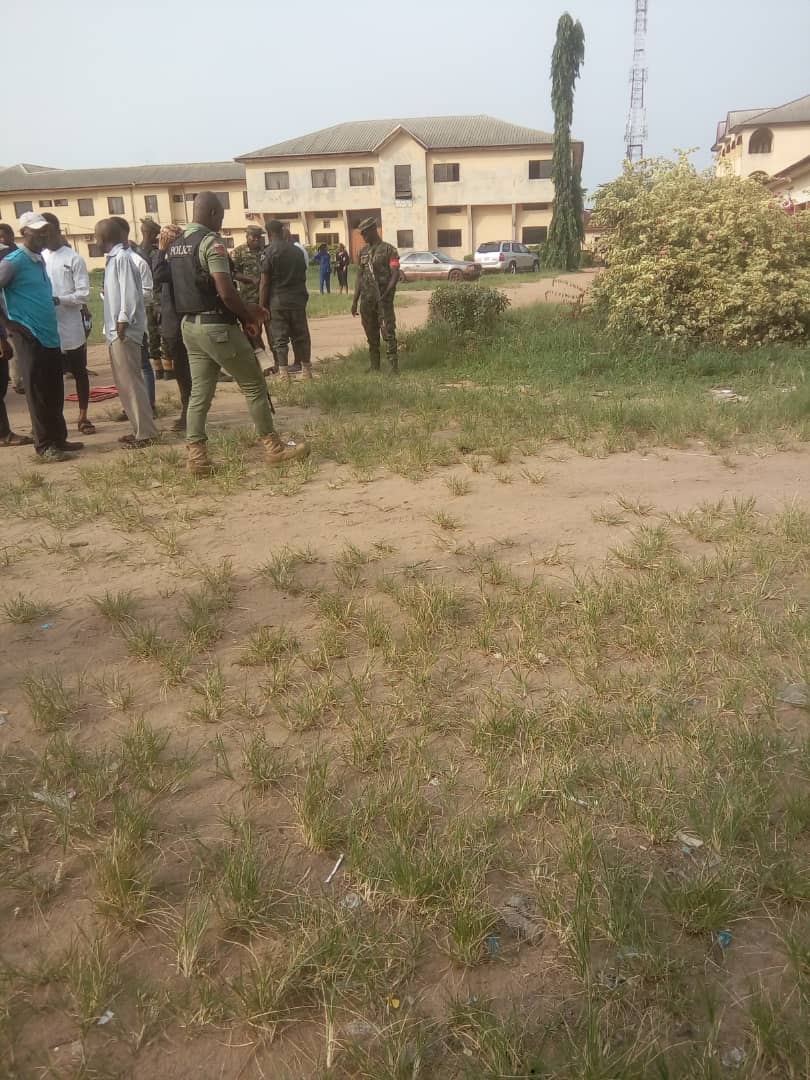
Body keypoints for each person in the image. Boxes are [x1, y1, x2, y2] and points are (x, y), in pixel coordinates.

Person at [167, 191, 308, 475]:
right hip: (216, 327)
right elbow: (226, 292)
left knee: (200, 394)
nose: (220, 221)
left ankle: (197, 458)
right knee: (255, 385)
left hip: (190, 328)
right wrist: (249, 314)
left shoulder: (175, 244)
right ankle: (274, 449)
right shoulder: (210, 243)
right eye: (220, 216)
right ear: (213, 214)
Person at [0, 212, 82, 460]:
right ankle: (45, 445)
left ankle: (59, 439)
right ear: (24, 233)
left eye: (45, 231)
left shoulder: (39, 260)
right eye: (37, 231)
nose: (43, 235)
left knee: (55, 390)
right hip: (29, 335)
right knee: (37, 393)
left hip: (49, 335)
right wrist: (8, 323)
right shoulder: (13, 262)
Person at [95, 217, 158, 449]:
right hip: (115, 332)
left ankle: (146, 433)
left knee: (132, 383)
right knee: (125, 384)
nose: (95, 241)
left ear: (103, 238)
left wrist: (122, 321)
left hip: (124, 332)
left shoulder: (122, 259)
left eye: (96, 237)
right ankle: (139, 429)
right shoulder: (113, 260)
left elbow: (131, 294)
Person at [41, 213, 95, 436]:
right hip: (47, 328)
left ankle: (83, 416)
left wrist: (60, 300)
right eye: (41, 233)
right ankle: (57, 419)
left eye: (48, 232)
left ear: (57, 230)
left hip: (71, 326)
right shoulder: (39, 258)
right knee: (53, 377)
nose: (44, 237)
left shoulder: (73, 258)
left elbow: (82, 294)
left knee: (79, 373)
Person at [109, 216, 156, 409]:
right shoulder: (112, 260)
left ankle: (148, 405)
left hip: (134, 325)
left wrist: (126, 308)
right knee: (125, 371)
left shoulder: (136, 261)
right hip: (114, 327)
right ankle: (131, 407)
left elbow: (148, 293)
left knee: (142, 366)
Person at [260, 220, 313, 382]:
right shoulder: (297, 251)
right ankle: (306, 372)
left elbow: (265, 282)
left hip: (278, 301)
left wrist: (261, 305)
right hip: (297, 299)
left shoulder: (268, 253)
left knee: (280, 338)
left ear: (269, 234)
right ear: (282, 231)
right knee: (301, 335)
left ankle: (284, 375)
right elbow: (303, 275)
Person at [152, 224, 192, 431]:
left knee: (185, 371)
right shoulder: (172, 259)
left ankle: (189, 413)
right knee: (182, 370)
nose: (164, 242)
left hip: (180, 323)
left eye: (167, 239)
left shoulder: (178, 260)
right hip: (172, 322)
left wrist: (161, 250)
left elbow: (158, 275)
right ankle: (190, 411)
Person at [351, 217, 400, 373]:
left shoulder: (389, 250)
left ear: (373, 230)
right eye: (362, 234)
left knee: (388, 332)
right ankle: (374, 366)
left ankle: (393, 366)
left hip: (382, 299)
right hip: (366, 300)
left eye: (365, 233)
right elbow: (359, 277)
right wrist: (355, 300)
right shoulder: (363, 252)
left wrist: (388, 292)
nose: (363, 237)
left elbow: (395, 273)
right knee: (371, 334)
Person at [232, 225, 273, 365]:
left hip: (268, 299)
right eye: (253, 237)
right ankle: (261, 364)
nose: (256, 239)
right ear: (247, 237)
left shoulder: (266, 250)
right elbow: (233, 273)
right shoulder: (238, 252)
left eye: (258, 236)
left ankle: (277, 363)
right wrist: (250, 280)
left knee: (272, 332)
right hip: (249, 300)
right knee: (254, 333)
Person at [139, 217, 172, 381]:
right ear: (150, 234)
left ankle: (158, 370)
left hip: (143, 300)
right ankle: (167, 370)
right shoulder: (156, 253)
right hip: (158, 298)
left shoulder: (135, 253)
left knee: (151, 333)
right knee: (163, 332)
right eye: (156, 234)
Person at [0, 225, 25, 395]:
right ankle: (18, 381)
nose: (1, 240)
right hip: (6, 314)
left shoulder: (19, 256)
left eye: (3, 236)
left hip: (21, 310)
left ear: (11, 235)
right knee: (13, 347)